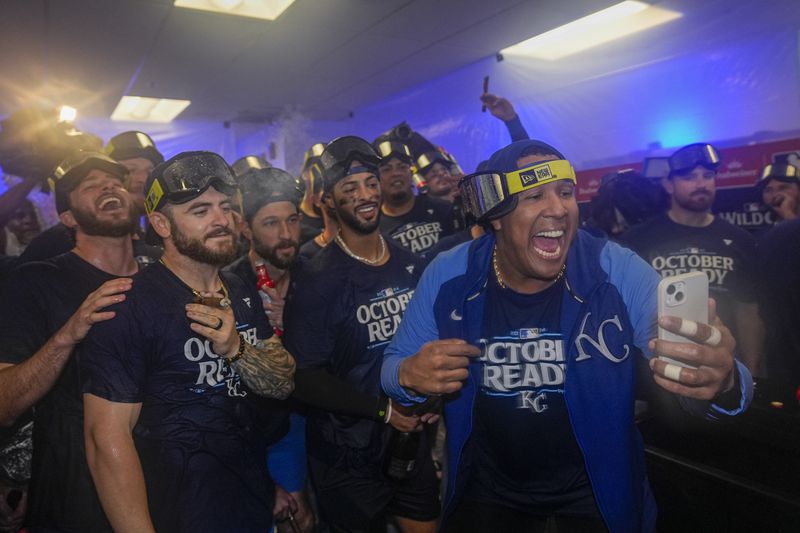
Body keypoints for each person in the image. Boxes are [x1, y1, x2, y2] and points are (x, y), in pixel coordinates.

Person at [381, 139, 753, 533]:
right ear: (497, 216)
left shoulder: (613, 268)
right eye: (535, 195)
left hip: (597, 497)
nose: (558, 209)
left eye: (566, 193)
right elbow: (393, 367)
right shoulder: (450, 273)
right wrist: (408, 374)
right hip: (488, 495)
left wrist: (724, 380)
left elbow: (697, 380)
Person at [80, 151, 296, 533]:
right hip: (178, 516)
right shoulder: (127, 306)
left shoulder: (242, 288)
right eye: (200, 211)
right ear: (161, 223)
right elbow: (105, 441)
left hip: (251, 506)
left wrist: (236, 350)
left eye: (226, 207)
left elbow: (282, 384)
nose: (221, 220)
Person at [284, 136, 440, 533]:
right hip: (346, 456)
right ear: (330, 202)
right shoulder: (317, 281)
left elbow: (431, 343)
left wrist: (431, 397)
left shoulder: (412, 266)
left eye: (371, 183)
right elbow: (304, 377)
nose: (366, 194)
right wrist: (384, 411)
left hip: (411, 442)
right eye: (350, 189)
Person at [0, 151, 138, 532]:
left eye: (114, 183)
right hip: (74, 489)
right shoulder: (35, 281)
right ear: (68, 218)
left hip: (164, 478)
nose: (108, 187)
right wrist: (67, 336)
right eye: (90, 186)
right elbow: (4, 403)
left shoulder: (164, 272)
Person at [225, 165, 315, 532]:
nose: (286, 235)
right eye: (271, 223)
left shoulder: (314, 275)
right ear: (245, 229)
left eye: (292, 220)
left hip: (317, 420)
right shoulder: (227, 285)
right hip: (258, 431)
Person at [622, 143, 763, 375]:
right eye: (689, 177)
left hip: (719, 367)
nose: (701, 184)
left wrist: (751, 372)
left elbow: (747, 310)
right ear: (669, 185)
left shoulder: (739, 240)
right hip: (655, 369)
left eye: (708, 176)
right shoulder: (638, 240)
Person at [375, 139, 456, 255]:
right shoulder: (375, 229)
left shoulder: (443, 210)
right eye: (387, 169)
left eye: (402, 167)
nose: (396, 173)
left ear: (411, 173)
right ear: (376, 178)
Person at [298, 143, 327, 244]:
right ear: (305, 174)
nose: (322, 175)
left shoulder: (338, 211)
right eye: (316, 169)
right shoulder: (295, 216)